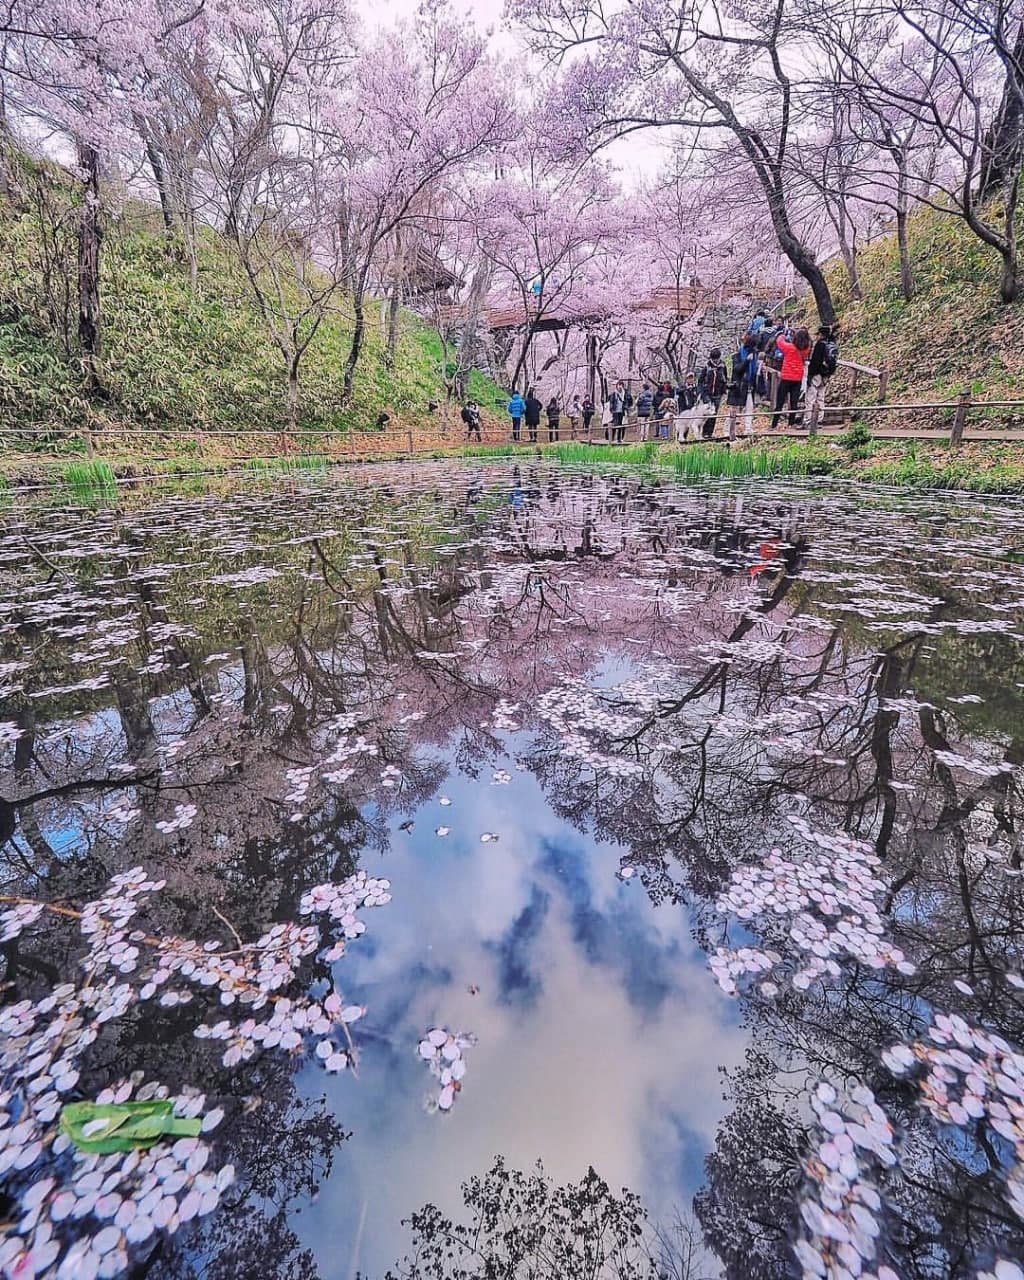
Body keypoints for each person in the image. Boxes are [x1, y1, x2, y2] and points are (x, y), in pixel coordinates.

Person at [770, 326, 812, 430]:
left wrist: (783, 334)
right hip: (797, 378)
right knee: (794, 402)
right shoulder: (805, 350)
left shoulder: (789, 348)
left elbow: (779, 341)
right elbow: (809, 342)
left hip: (786, 377)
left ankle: (774, 424)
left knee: (780, 402)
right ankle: (791, 423)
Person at [725, 334, 759, 439]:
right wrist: (747, 361)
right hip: (738, 386)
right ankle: (727, 430)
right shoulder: (737, 355)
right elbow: (737, 369)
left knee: (749, 407)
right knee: (734, 409)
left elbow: (754, 370)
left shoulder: (754, 353)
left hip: (749, 385)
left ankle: (748, 428)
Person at [805, 325, 839, 430]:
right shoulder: (833, 344)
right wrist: (829, 374)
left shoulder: (820, 345)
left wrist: (810, 375)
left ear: (820, 334)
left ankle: (809, 420)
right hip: (826, 375)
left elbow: (815, 362)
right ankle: (819, 420)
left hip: (816, 374)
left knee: (810, 397)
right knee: (821, 398)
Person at [697, 348, 728, 417]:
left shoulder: (723, 366)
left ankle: (711, 428)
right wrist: (700, 393)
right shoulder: (706, 367)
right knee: (707, 413)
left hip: (717, 394)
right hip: (707, 394)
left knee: (714, 414)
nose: (715, 361)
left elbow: (725, 379)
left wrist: (724, 391)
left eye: (717, 359)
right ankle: (705, 428)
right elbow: (700, 381)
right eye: (714, 359)